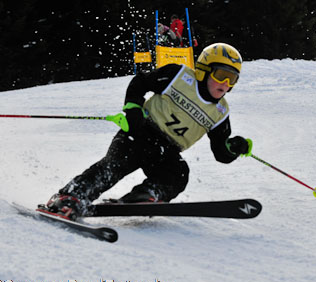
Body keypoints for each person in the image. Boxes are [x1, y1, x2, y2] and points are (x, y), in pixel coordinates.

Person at [46, 43, 252, 220]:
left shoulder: (220, 112)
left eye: (232, 79)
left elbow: (220, 152)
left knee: (178, 174)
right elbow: (140, 83)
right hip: (140, 133)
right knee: (113, 167)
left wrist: (234, 147)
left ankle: (146, 196)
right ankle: (71, 196)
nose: (225, 84)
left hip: (167, 150)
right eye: (222, 75)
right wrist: (133, 108)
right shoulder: (178, 76)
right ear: (203, 69)